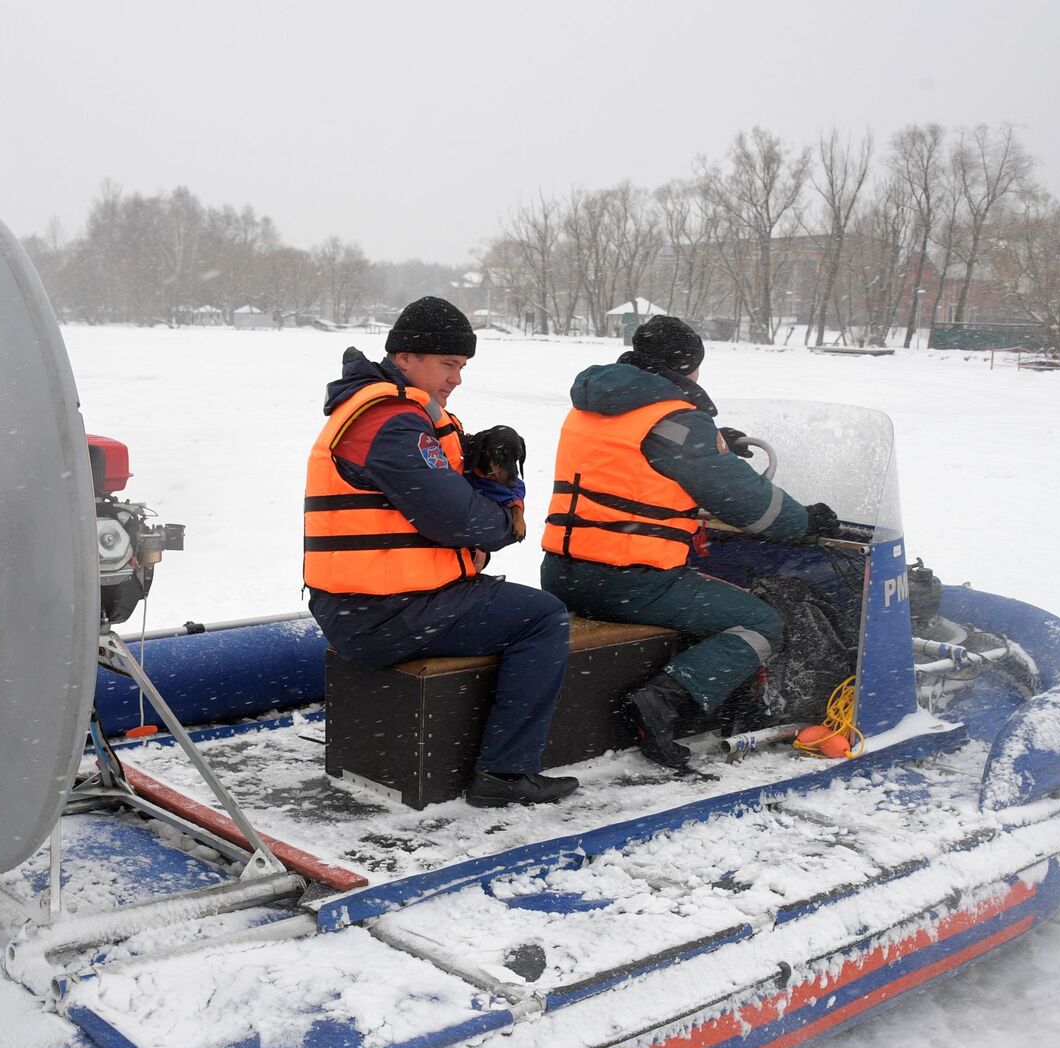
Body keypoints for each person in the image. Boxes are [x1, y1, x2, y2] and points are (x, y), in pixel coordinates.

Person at [304, 296, 577, 807]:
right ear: (405, 358)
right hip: (387, 614)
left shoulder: (394, 412)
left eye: (462, 367)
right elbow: (461, 522)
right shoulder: (392, 422)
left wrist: (473, 461)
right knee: (543, 617)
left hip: (372, 604)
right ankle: (505, 772)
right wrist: (506, 509)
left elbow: (437, 495)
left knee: (517, 609)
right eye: (448, 364)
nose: (457, 379)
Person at [539, 315, 843, 768]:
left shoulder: (595, 406)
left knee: (705, 596)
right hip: (631, 583)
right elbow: (751, 507)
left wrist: (717, 442)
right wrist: (805, 521)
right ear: (689, 367)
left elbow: (640, 460)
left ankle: (723, 700)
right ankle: (662, 701)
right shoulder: (674, 422)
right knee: (761, 621)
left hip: (564, 573)